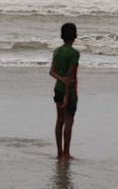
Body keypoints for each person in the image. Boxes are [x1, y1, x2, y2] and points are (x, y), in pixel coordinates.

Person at [49, 23, 80, 159]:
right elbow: (70, 77)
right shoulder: (74, 54)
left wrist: (61, 79)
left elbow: (51, 72)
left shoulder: (57, 51)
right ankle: (66, 153)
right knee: (69, 121)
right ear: (74, 36)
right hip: (70, 91)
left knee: (59, 120)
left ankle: (59, 152)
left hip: (58, 88)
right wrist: (67, 95)